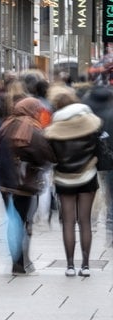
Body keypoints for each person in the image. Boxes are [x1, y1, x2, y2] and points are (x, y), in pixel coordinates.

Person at [45, 85, 102, 277]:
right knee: (84, 221)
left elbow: (50, 156)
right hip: (87, 176)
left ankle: (69, 265)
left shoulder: (54, 130)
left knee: (68, 222)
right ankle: (85, 265)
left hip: (64, 178)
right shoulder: (90, 124)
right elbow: (99, 148)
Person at [0, 97, 56, 275]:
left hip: (5, 182)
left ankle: (17, 260)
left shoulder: (5, 126)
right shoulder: (33, 129)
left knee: (12, 221)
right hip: (25, 183)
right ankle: (22, 262)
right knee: (24, 222)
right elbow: (46, 155)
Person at [82, 85, 113, 247]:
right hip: (108, 160)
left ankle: (94, 221)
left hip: (94, 160)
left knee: (98, 191)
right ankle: (110, 228)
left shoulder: (89, 112)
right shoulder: (110, 112)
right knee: (110, 195)